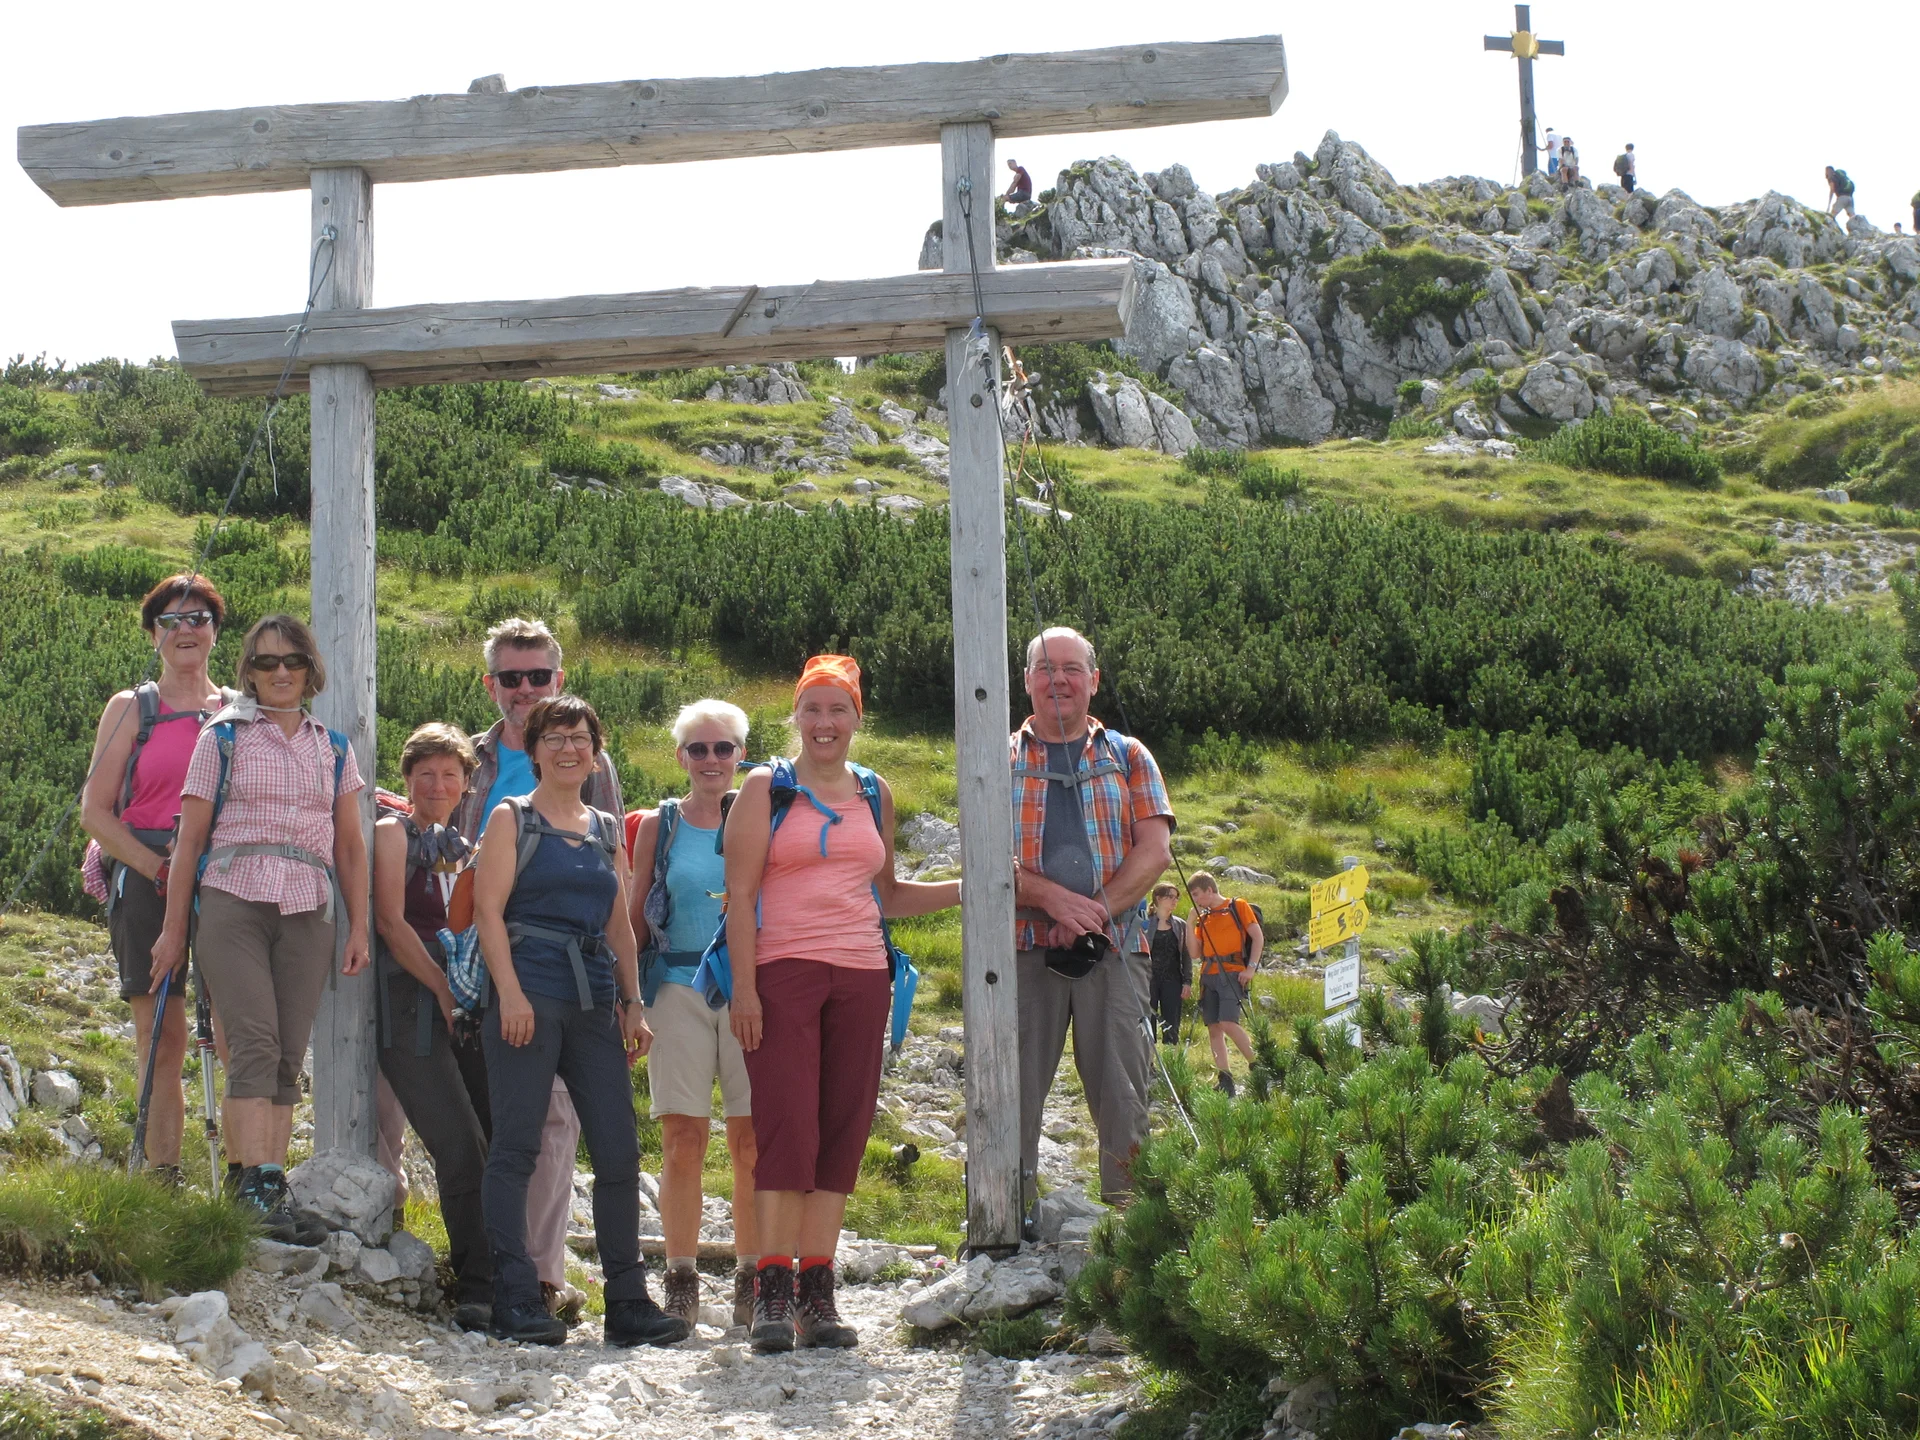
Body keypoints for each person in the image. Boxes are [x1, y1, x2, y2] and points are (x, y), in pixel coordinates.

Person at [725, 656, 959, 1353]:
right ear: (795, 715)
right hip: (783, 971)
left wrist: (972, 883)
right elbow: (738, 897)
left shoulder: (874, 791)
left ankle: (817, 1293)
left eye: (839, 710)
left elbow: (888, 894)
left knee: (844, 1127)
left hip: (863, 974)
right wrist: (744, 989)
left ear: (858, 719)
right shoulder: (766, 788)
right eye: (813, 710)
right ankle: (772, 1288)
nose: (824, 724)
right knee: (787, 1127)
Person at [472, 694, 684, 1348]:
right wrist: (507, 993)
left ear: (597, 751)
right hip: (529, 990)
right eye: (556, 737)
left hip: (593, 998)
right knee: (516, 1146)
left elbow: (619, 922)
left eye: (581, 738)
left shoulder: (602, 826)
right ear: (534, 749)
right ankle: (515, 1294)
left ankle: (627, 1301)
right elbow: (487, 913)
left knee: (618, 1151)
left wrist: (634, 1004)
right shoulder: (511, 819)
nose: (569, 748)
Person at [151, 615, 370, 1242]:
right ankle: (253, 1190)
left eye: (293, 661)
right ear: (248, 671)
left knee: (285, 1054)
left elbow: (350, 846)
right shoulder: (222, 738)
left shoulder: (333, 748)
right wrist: (173, 933)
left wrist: (356, 928)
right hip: (233, 901)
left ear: (309, 670)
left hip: (307, 908)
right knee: (250, 1041)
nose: (281, 672)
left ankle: (268, 1186)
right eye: (268, 662)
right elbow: (189, 842)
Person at [453, 617, 621, 1324]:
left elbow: (611, 879)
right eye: (511, 678)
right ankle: (485, 1276)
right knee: (483, 1124)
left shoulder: (594, 765)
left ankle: (539, 1278)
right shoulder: (470, 758)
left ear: (559, 677)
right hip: (477, 959)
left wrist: (625, 990)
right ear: (490, 684)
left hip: (570, 975)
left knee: (551, 1125)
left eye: (539, 677)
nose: (524, 690)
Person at [1011, 626, 1174, 1211]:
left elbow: (1155, 851)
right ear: (1026, 679)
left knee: (1124, 1094)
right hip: (1022, 951)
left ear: (1094, 680)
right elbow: (982, 860)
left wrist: (1092, 913)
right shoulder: (994, 760)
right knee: (1011, 1094)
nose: (1059, 679)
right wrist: (1053, 900)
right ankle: (1004, 1224)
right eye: (1045, 668)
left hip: (1118, 947)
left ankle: (1130, 1232)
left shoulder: (1129, 756)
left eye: (1072, 668)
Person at [80, 574, 233, 1188]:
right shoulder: (130, 709)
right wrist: (156, 868)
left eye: (198, 618)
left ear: (216, 633)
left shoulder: (236, 713)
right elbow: (96, 810)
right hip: (147, 879)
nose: (185, 630)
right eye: (171, 621)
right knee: (162, 1031)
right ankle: (160, 1175)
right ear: (153, 636)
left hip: (223, 882)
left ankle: (253, 1175)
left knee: (234, 1032)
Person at [626, 699, 760, 1333]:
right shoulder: (663, 824)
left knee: (751, 1141)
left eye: (724, 748)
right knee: (682, 1140)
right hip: (675, 987)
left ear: (741, 755)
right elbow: (633, 914)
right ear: (681, 757)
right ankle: (679, 1275)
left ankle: (751, 1277)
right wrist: (627, 997)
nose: (712, 760)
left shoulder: (763, 816)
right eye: (699, 749)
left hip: (749, 990)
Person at [373, 723, 493, 1332]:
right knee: (458, 1141)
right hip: (410, 1000)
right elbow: (392, 924)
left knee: (493, 1139)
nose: (438, 784)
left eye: (451, 774)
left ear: (467, 783)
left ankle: (498, 1275)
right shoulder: (392, 834)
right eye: (426, 773)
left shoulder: (463, 845)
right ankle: (476, 1287)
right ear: (408, 779)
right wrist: (443, 990)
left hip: (463, 1001)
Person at [1185, 872, 1262, 1095]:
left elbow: (1257, 937)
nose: (1196, 900)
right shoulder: (1203, 918)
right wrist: (1190, 923)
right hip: (1208, 975)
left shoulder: (1238, 906)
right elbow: (1194, 952)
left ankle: (1258, 1066)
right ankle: (1225, 1079)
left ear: (1209, 890)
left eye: (1197, 895)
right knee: (1214, 1028)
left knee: (1228, 1022)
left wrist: (1251, 969)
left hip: (1233, 973)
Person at [1143, 882, 1190, 1046]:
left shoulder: (1180, 925)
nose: (1175, 901)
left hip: (1173, 979)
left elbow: (1186, 955)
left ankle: (1172, 1063)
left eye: (1176, 897)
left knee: (1172, 1022)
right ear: (1158, 898)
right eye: (1170, 897)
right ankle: (1148, 1064)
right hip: (1148, 979)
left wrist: (1187, 981)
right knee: (1147, 1020)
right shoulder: (1145, 923)